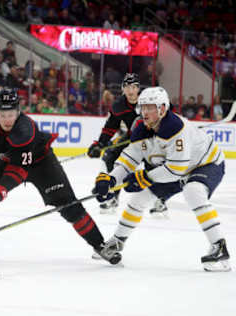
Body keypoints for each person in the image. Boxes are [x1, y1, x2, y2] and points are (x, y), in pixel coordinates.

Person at [0, 87, 121, 265]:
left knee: (69, 206)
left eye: (10, 114)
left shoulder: (24, 130)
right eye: (1, 114)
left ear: (18, 111)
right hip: (10, 160)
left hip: (42, 164)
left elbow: (20, 170)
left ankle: (100, 245)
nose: (6, 119)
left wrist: (0, 189)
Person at [93, 87, 230, 272]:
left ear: (163, 109)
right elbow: (128, 159)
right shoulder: (141, 129)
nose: (145, 112)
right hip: (174, 167)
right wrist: (110, 180)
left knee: (193, 191)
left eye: (150, 107)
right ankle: (116, 242)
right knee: (139, 197)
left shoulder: (175, 128)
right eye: (143, 107)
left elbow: (176, 169)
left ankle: (219, 247)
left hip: (206, 163)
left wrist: (144, 177)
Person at [87, 73, 167, 216]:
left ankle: (160, 199)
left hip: (154, 139)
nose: (131, 91)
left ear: (138, 89)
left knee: (154, 167)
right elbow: (110, 127)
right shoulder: (119, 105)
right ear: (123, 89)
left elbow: (165, 116)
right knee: (111, 159)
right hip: (132, 138)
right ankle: (113, 196)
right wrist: (100, 143)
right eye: (127, 87)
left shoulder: (149, 98)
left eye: (134, 87)